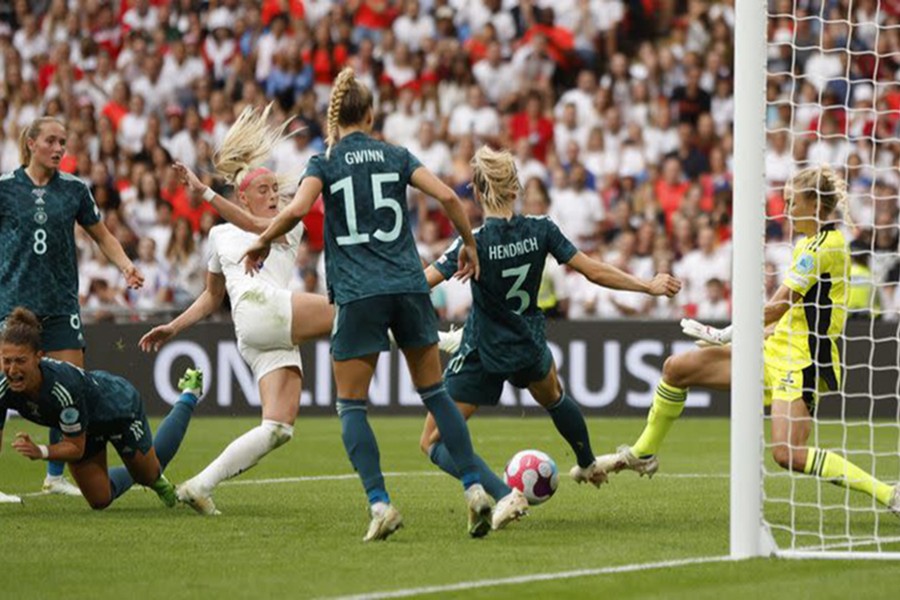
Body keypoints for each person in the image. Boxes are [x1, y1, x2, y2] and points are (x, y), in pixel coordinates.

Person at [242, 68, 493, 541]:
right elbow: (446, 195)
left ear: (337, 116)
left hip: (359, 293)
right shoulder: (396, 155)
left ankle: (380, 504)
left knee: (352, 406)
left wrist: (261, 241)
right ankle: (475, 489)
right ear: (372, 115)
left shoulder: (325, 161)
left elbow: (297, 210)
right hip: (409, 286)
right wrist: (469, 244)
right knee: (435, 394)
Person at [596, 166, 900, 514]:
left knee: (788, 454)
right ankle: (644, 452)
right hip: (774, 347)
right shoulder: (807, 244)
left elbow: (778, 306)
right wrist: (754, 335)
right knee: (676, 369)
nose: (786, 210)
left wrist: (724, 333)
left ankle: (889, 494)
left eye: (792, 202)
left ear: (815, 205)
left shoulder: (821, 248)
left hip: (801, 361)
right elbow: (792, 313)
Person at [419, 146, 682, 529]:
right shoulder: (541, 229)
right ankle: (588, 463)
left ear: (476, 192)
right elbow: (592, 270)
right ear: (516, 189)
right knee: (555, 397)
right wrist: (647, 286)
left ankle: (503, 493)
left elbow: (421, 284)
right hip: (528, 343)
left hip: (483, 348)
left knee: (432, 441)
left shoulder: (472, 242)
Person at [139, 104, 336, 516]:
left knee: (278, 428)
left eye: (274, 189)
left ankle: (199, 485)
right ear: (242, 196)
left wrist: (206, 194)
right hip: (260, 312)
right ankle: (440, 339)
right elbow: (212, 297)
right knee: (351, 312)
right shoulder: (219, 235)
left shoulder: (288, 223)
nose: (273, 196)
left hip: (265, 326)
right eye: (262, 190)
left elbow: (255, 228)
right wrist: (173, 326)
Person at [0, 117, 144, 497]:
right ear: (31, 144)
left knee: (67, 387)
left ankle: (54, 475)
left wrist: (126, 266)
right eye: (51, 141)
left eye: (63, 142)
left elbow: (103, 235)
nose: (59, 148)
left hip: (61, 306)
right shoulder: (5, 188)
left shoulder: (75, 189)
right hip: (13, 307)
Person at [0, 307, 201, 510]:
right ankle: (136, 469)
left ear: (39, 357)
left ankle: (189, 393)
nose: (13, 370)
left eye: (20, 361)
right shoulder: (3, 387)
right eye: (6, 361)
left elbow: (75, 448)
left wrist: (41, 451)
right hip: (85, 425)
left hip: (118, 409)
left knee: (149, 475)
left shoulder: (63, 388)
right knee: (99, 500)